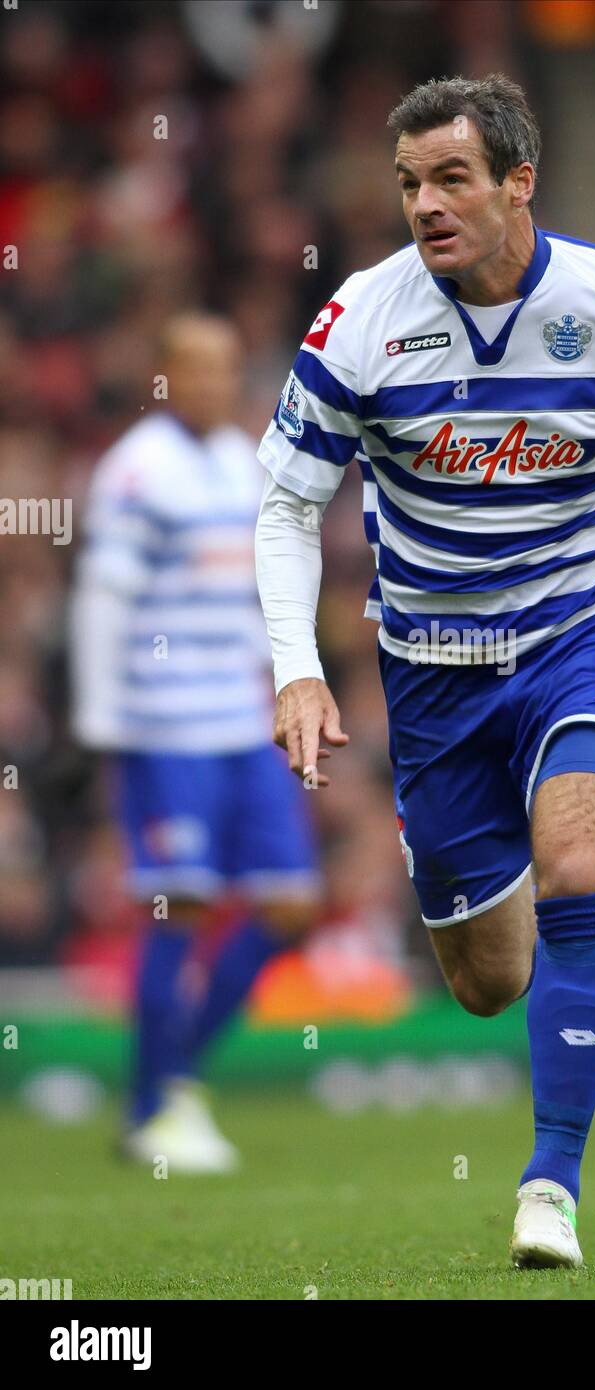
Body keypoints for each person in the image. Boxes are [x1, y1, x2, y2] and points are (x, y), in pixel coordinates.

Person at [254, 75, 595, 1266]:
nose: (425, 206)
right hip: (434, 671)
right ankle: (592, 921)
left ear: (519, 182)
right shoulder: (361, 320)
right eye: (407, 184)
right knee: (487, 981)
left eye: (452, 178)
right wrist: (298, 668)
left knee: (570, 857)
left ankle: (549, 1183)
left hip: (584, 629)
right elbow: (286, 505)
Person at [71, 313, 320, 1172]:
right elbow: (104, 602)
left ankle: (173, 1082)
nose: (214, 383)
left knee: (290, 905)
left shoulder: (238, 464)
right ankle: (153, 1108)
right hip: (164, 724)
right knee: (182, 908)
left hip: (241, 722)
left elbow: (253, 593)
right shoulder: (138, 471)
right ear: (165, 375)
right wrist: (103, 719)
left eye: (226, 367)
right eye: (197, 368)